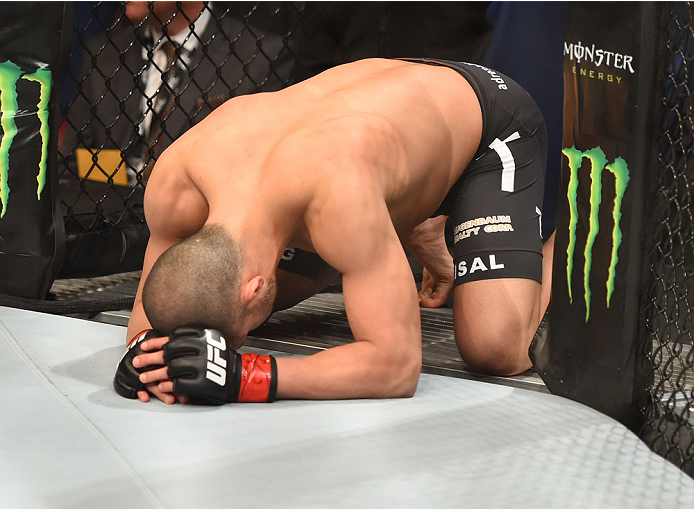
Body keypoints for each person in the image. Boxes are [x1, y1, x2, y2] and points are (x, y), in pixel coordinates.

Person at [116, 58, 554, 405]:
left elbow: (397, 366)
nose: (236, 344)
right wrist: (142, 349)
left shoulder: (337, 198)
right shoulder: (177, 183)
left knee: (495, 348)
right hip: (378, 131)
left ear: (252, 287)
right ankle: (413, 219)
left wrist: (243, 376)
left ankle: (599, 215)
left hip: (487, 123)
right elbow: (156, 300)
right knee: (243, 300)